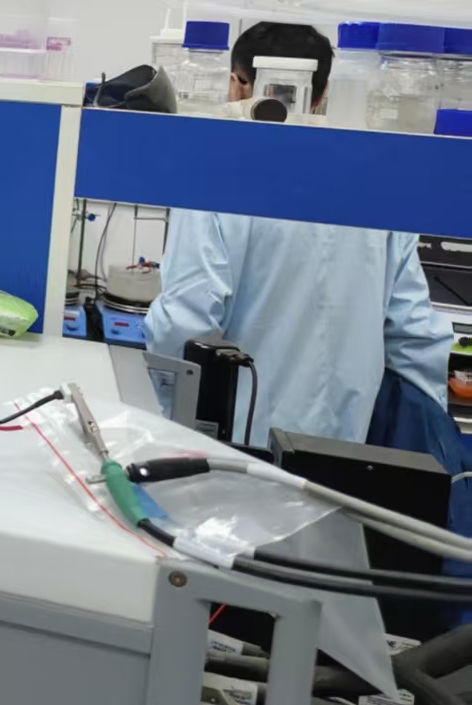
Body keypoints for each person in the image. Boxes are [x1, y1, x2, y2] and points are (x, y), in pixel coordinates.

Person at [145, 22, 450, 444]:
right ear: (323, 94)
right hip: (346, 452)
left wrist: (166, 413)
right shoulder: (378, 186)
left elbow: (183, 323)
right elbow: (416, 334)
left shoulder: (215, 177)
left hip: (236, 446)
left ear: (236, 84)